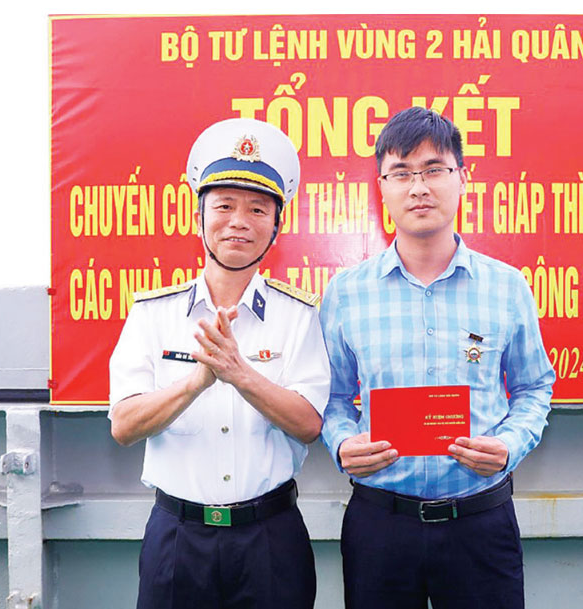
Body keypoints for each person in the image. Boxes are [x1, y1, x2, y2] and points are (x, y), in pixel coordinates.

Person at [319, 107, 555, 609]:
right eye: (401, 173)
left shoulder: (507, 286)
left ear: (462, 179)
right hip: (380, 525)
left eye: (433, 170)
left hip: (480, 524)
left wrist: (509, 445)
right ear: (381, 188)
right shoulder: (345, 292)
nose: (418, 187)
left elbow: (535, 388)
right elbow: (333, 397)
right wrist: (341, 443)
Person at [109, 117, 330, 609]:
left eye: (257, 208)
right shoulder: (153, 314)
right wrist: (196, 382)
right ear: (198, 217)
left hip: (270, 538)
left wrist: (239, 374)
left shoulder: (299, 316)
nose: (239, 221)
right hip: (177, 539)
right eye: (223, 205)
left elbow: (310, 424)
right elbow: (123, 425)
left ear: (277, 225)